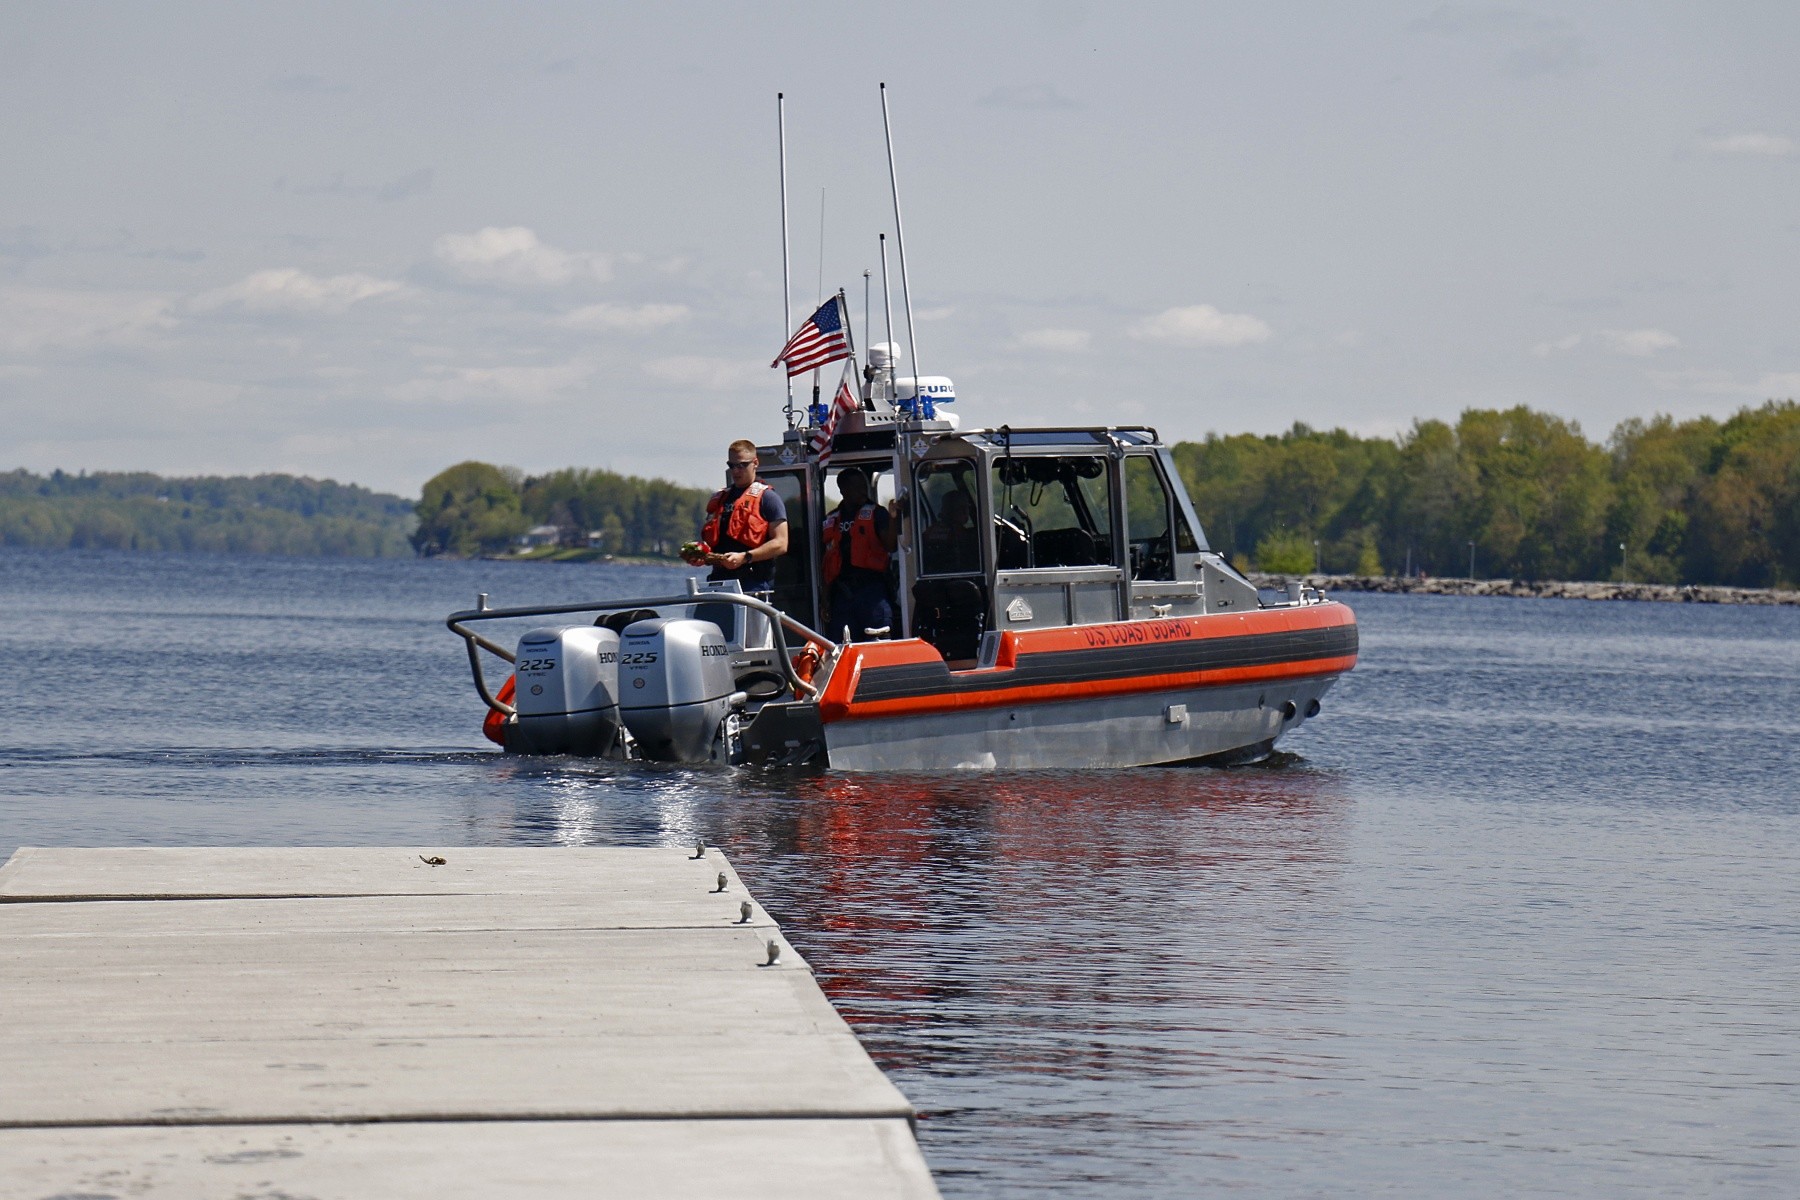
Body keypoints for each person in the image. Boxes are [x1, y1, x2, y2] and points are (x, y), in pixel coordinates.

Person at [684, 439, 788, 589]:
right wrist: (701, 554)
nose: (736, 471)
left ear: (755, 463)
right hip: (719, 582)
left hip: (752, 583)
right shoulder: (720, 498)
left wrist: (745, 557)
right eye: (732, 466)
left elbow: (781, 543)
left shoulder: (769, 498)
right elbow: (715, 543)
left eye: (742, 465)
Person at [822, 466, 897, 640]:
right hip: (842, 593)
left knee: (878, 640)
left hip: (872, 590)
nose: (862, 491)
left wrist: (893, 518)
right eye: (856, 487)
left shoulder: (877, 513)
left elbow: (890, 545)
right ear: (843, 490)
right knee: (841, 643)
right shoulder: (831, 519)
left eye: (863, 486)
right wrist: (825, 598)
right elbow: (825, 562)